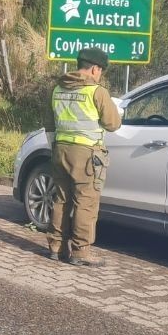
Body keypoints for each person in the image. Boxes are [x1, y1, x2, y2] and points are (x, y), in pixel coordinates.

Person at [44, 47, 121, 266]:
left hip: (60, 150)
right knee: (85, 203)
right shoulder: (97, 92)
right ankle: (80, 252)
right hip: (86, 154)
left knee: (61, 199)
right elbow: (113, 124)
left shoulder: (57, 88)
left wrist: (55, 147)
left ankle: (56, 247)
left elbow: (49, 124)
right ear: (96, 69)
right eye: (101, 71)